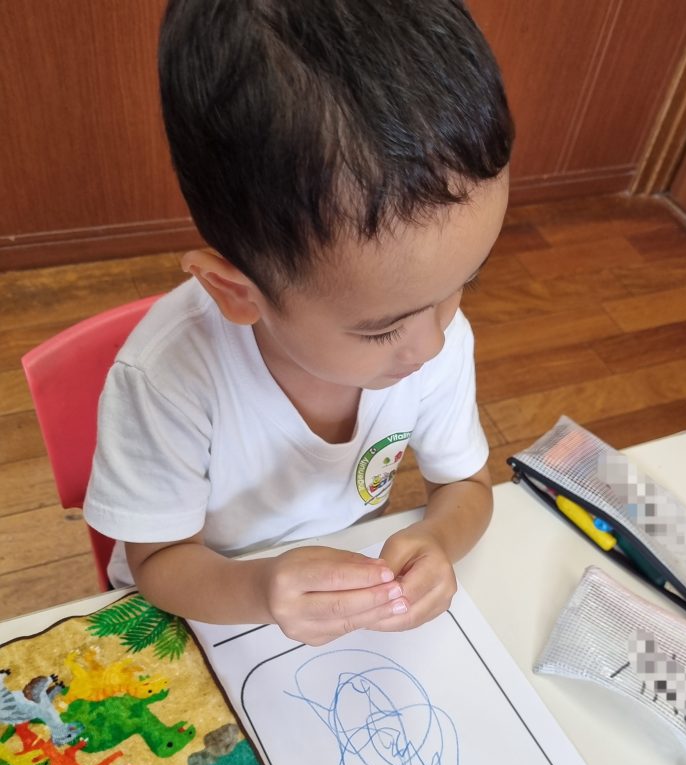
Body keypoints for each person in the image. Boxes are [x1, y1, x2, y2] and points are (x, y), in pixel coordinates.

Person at [84, 0, 513, 645]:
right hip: (204, 609)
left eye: (462, 286)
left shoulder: (432, 334)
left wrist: (436, 538)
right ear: (237, 293)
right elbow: (158, 564)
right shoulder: (167, 378)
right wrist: (262, 589)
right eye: (381, 329)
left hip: (333, 614)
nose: (432, 343)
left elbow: (466, 484)